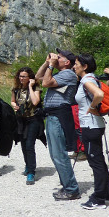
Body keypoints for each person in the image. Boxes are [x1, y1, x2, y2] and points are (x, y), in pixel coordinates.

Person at [35, 49, 81, 201]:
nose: (56, 57)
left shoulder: (67, 74)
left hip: (58, 116)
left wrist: (51, 65)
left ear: (67, 62)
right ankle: (67, 184)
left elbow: (46, 82)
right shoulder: (59, 75)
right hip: (53, 116)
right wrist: (47, 63)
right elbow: (38, 78)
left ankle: (71, 189)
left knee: (58, 154)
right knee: (56, 154)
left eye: (59, 57)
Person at [73, 54, 109, 210]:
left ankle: (99, 198)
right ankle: (105, 193)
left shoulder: (86, 80)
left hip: (91, 126)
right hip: (94, 125)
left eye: (76, 64)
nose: (74, 66)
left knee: (95, 161)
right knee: (99, 160)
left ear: (85, 66)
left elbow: (99, 94)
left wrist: (91, 108)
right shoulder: (91, 78)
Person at [11, 66, 44, 186]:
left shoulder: (36, 88)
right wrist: (14, 105)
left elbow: (35, 102)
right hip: (21, 120)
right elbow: (13, 100)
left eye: (24, 76)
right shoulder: (16, 89)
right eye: (20, 76)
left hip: (34, 119)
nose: (21, 78)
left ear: (30, 77)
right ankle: (28, 165)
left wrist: (30, 86)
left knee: (30, 144)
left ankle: (31, 171)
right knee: (24, 144)